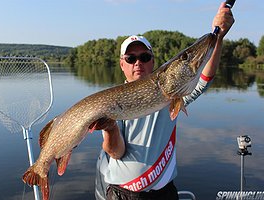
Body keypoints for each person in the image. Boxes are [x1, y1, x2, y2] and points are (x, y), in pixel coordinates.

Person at [95, 2, 234, 200]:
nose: (138, 63)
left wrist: (218, 38)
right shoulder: (112, 99)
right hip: (123, 195)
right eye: (131, 58)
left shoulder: (173, 93)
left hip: (165, 193)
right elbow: (117, 153)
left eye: (144, 57)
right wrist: (110, 129)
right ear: (121, 64)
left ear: (152, 61)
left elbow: (204, 78)